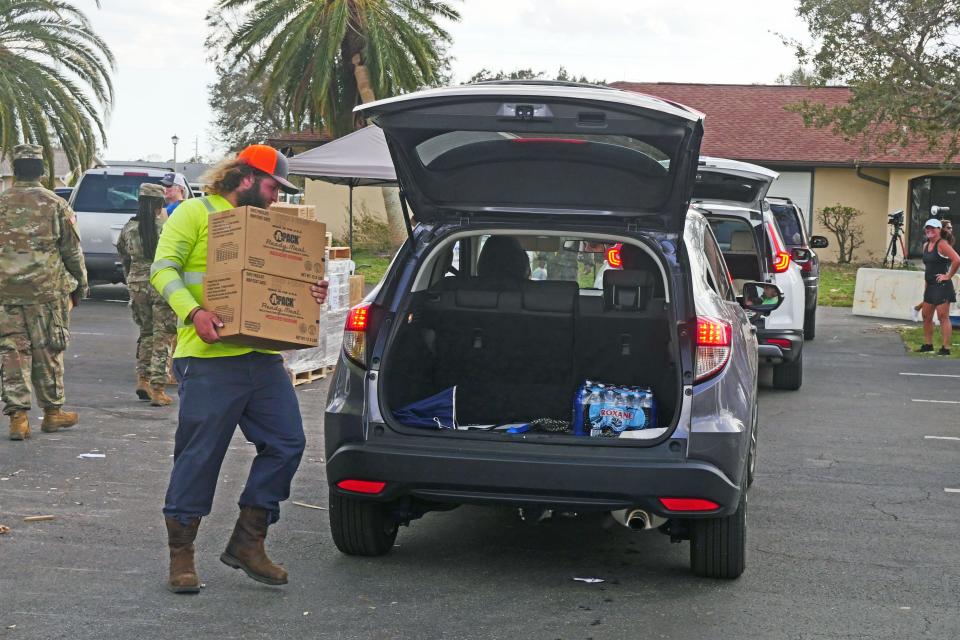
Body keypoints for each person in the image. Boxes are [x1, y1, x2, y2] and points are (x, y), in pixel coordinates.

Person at [150, 144, 328, 594]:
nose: (276, 197)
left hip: (261, 357)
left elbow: (282, 281)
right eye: (272, 187)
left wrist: (311, 289)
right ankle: (181, 557)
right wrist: (193, 313)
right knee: (199, 455)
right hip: (208, 358)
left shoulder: (267, 227)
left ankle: (248, 541)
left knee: (287, 442)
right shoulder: (192, 213)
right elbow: (163, 269)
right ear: (245, 178)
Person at [0, 144, 88, 440]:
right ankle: (52, 413)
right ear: (41, 170)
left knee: (13, 352)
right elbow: (72, 252)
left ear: (14, 169)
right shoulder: (55, 205)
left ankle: (18, 418)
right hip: (46, 293)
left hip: (5, 294)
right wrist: (81, 285)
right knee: (48, 350)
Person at [117, 182, 177, 406]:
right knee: (164, 335)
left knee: (146, 333)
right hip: (162, 283)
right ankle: (158, 388)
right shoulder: (167, 228)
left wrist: (131, 277)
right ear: (159, 204)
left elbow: (123, 255)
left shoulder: (129, 227)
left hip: (137, 283)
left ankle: (142, 379)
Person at [917, 218, 960, 355]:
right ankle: (928, 345)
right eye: (927, 228)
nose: (929, 230)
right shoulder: (925, 245)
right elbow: (929, 268)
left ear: (939, 230)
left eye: (933, 228)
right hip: (930, 286)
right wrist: (926, 286)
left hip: (942, 286)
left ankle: (945, 348)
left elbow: (957, 260)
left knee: (943, 317)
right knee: (926, 316)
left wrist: (948, 276)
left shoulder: (942, 244)